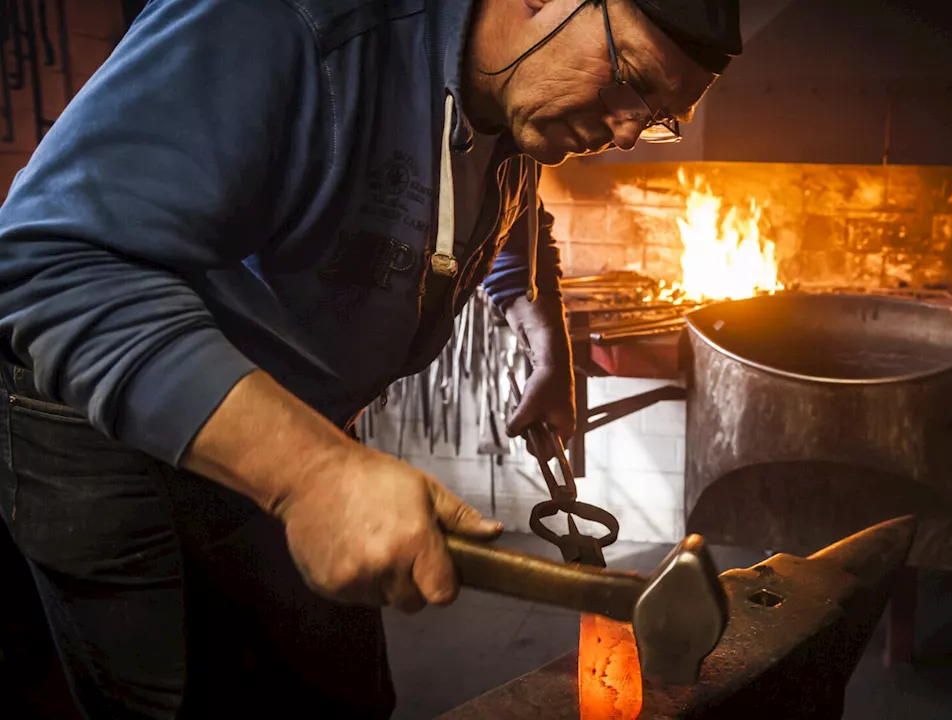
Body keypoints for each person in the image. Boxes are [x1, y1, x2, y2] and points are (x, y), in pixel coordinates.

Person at [0, 0, 741, 716]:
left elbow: (512, 211)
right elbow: (55, 260)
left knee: (340, 693)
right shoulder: (287, 22)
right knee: (188, 696)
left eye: (656, 117)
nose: (626, 132)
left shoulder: (513, 102)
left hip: (292, 413)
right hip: (106, 422)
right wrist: (311, 474)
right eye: (633, 80)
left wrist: (550, 348)